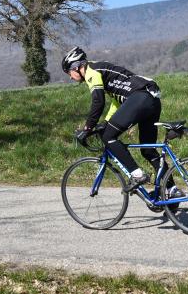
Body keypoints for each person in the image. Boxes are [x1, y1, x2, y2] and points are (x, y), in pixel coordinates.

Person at [62, 46, 171, 193]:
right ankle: (172, 190)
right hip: (151, 101)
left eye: (69, 72)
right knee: (148, 150)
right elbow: (117, 100)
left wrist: (88, 127)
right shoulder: (100, 68)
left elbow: (98, 102)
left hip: (139, 98)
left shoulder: (91, 72)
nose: (70, 77)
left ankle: (137, 175)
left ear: (76, 67)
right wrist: (106, 122)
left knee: (108, 136)